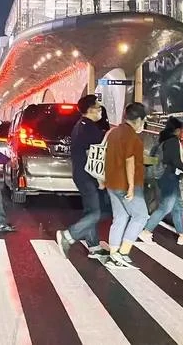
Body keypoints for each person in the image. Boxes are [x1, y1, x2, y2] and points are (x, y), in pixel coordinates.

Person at [57, 95, 110, 260]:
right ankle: (69, 235)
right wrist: (101, 179)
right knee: (100, 211)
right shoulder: (88, 128)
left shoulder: (82, 125)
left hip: (82, 174)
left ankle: (93, 246)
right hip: (89, 176)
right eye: (98, 107)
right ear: (90, 109)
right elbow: (93, 156)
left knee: (91, 211)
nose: (100, 110)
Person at [103, 102, 150, 269]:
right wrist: (131, 186)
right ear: (138, 120)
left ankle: (113, 255)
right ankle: (123, 253)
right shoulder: (130, 136)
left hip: (112, 182)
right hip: (126, 184)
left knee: (121, 218)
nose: (143, 124)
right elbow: (129, 160)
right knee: (141, 216)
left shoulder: (114, 132)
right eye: (143, 120)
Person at [139, 116, 183, 246]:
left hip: (166, 177)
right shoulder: (173, 141)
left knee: (177, 207)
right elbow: (174, 161)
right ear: (177, 130)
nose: (181, 133)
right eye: (181, 130)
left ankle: (182, 235)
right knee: (166, 206)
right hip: (168, 177)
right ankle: (146, 231)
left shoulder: (163, 141)